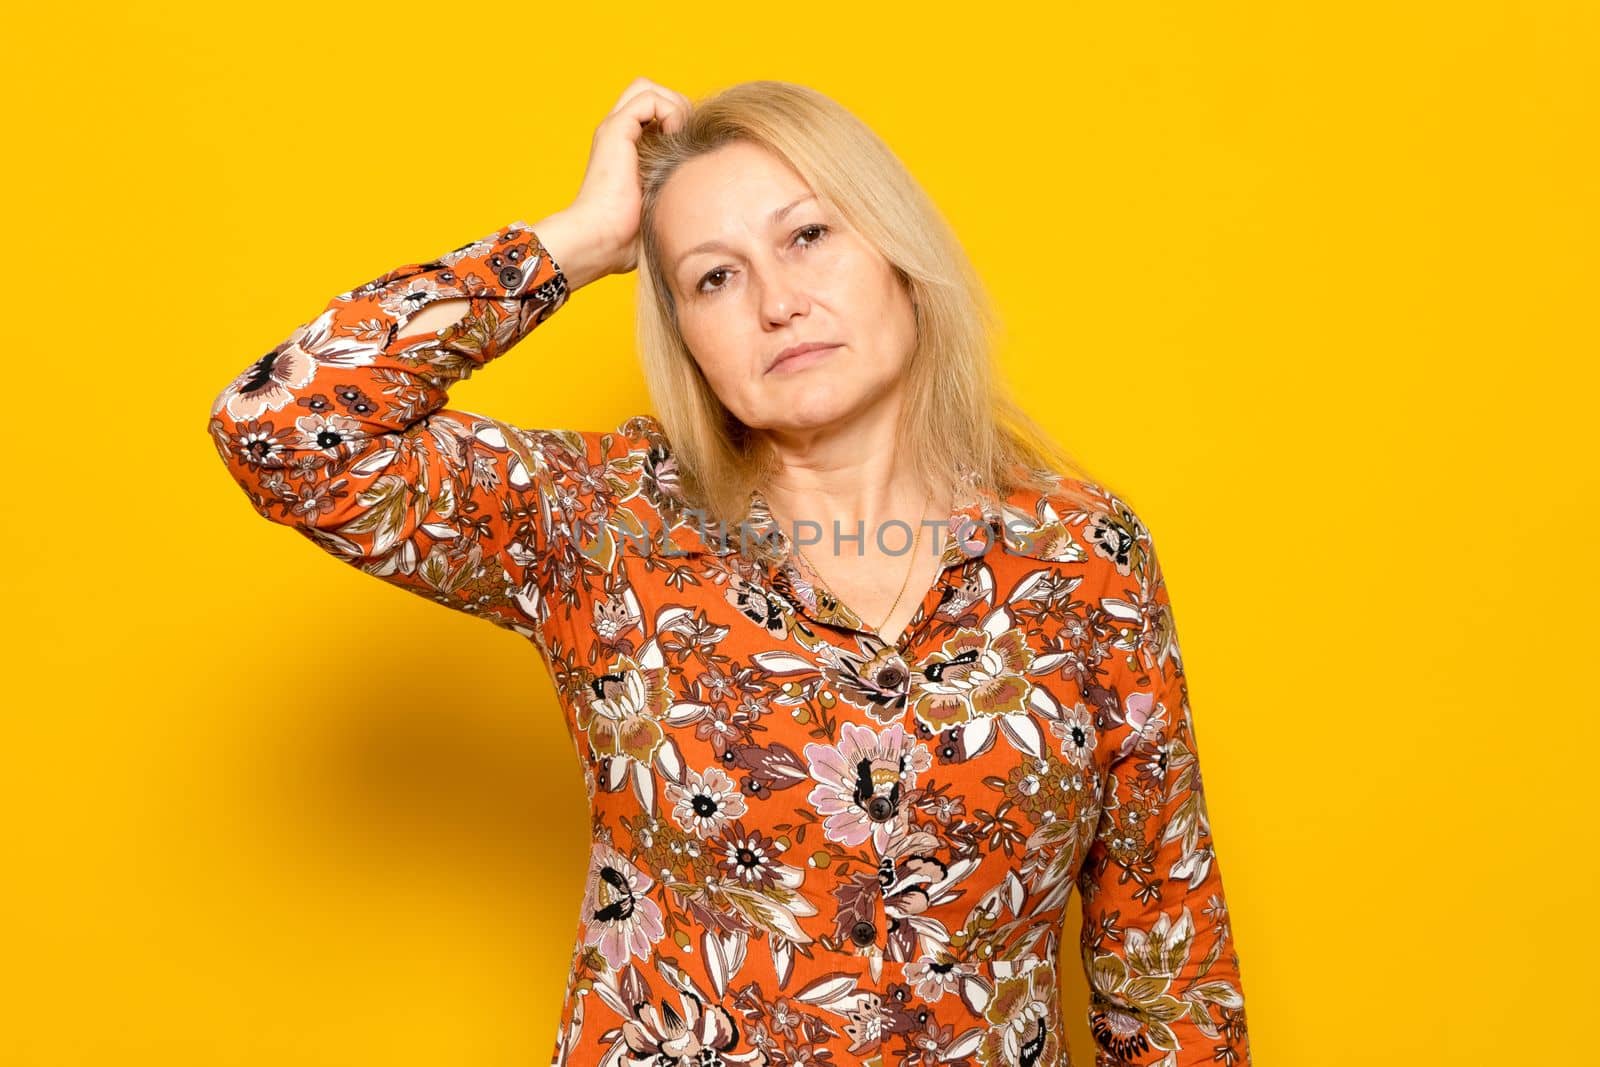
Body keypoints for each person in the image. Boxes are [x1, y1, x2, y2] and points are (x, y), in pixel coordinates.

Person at [207, 77, 1252, 1067]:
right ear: (685, 332)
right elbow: (284, 429)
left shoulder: (1079, 553)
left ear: (896, 250)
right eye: (713, 276)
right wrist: (577, 244)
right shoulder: (604, 523)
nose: (777, 301)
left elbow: (1167, 964)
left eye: (807, 235)